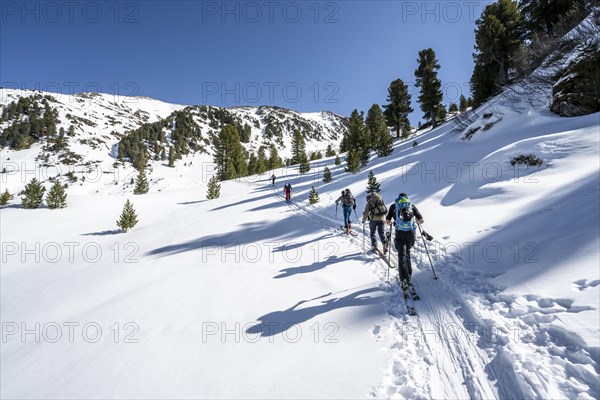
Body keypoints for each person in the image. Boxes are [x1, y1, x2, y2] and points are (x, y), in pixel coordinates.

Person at [385, 193, 424, 290]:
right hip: (411, 233)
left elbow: (387, 221)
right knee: (407, 254)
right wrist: (415, 222)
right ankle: (409, 275)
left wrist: (393, 222)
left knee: (401, 255)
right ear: (407, 198)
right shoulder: (411, 206)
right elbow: (421, 220)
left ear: (398, 198)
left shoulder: (394, 206)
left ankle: (404, 279)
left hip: (400, 233)